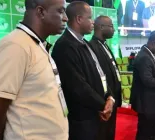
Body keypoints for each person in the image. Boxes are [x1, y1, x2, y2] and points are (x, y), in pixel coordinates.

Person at [0, 0, 69, 140]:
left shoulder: (36, 44)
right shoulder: (16, 46)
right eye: (60, 11)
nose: (66, 17)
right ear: (41, 12)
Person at [51, 2, 115, 140]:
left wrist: (109, 96)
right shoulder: (65, 46)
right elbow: (78, 87)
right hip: (82, 121)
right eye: (90, 18)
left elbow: (100, 74)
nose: (93, 22)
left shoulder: (84, 43)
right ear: (79, 19)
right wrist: (103, 104)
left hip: (96, 115)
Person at [89, 15, 122, 140]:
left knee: (110, 132)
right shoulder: (92, 46)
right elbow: (97, 77)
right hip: (104, 101)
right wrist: (107, 98)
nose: (114, 30)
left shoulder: (105, 45)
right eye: (111, 26)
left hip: (112, 99)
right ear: (101, 27)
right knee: (103, 133)